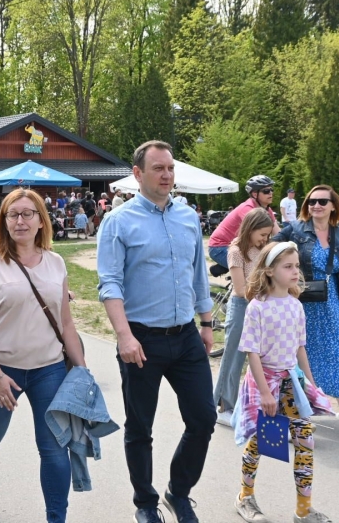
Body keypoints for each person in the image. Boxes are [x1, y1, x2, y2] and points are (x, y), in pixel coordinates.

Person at [97, 140, 215, 523]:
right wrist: (124, 336)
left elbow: (198, 274)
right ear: (138, 174)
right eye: (158, 169)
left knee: (204, 419)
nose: (166, 175)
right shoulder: (119, 222)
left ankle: (178, 492)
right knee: (140, 428)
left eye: (170, 168)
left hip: (186, 337)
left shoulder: (188, 217)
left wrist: (206, 323)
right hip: (141, 340)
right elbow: (110, 283)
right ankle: (145, 504)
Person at [0, 188, 86, 523]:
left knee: (54, 449)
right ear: (4, 221)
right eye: (13, 214)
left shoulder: (56, 262)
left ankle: (56, 518)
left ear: (41, 220)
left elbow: (66, 323)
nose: (20, 220)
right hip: (2, 369)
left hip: (50, 369)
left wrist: (82, 371)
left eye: (27, 214)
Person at [233, 241, 335, 523]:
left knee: (305, 441)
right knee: (261, 443)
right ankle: (245, 496)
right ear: (269, 271)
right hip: (265, 384)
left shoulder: (295, 305)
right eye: (288, 266)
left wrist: (311, 385)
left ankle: (303, 509)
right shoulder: (257, 307)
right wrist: (265, 393)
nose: (295, 272)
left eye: (296, 266)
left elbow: (300, 348)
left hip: (292, 384)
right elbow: (252, 352)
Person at [273, 185, 339, 437]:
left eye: (322, 201)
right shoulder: (295, 230)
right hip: (301, 304)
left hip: (330, 305)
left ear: (333, 206)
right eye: (311, 201)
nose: (316, 205)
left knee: (336, 354)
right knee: (298, 358)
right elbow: (270, 249)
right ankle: (294, 418)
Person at [214, 208, 274, 427]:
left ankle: (247, 404)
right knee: (233, 358)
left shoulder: (263, 249)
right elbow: (240, 290)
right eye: (262, 234)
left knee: (259, 359)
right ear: (250, 229)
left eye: (267, 235)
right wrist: (264, 292)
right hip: (242, 307)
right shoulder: (236, 251)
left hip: (260, 306)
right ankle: (223, 406)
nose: (265, 239)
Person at [209, 175, 280, 270]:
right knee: (256, 270)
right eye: (266, 191)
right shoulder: (248, 209)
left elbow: (278, 233)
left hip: (236, 246)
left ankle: (223, 269)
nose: (270, 193)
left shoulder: (267, 209)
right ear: (255, 194)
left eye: (271, 190)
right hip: (219, 247)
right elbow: (254, 238)